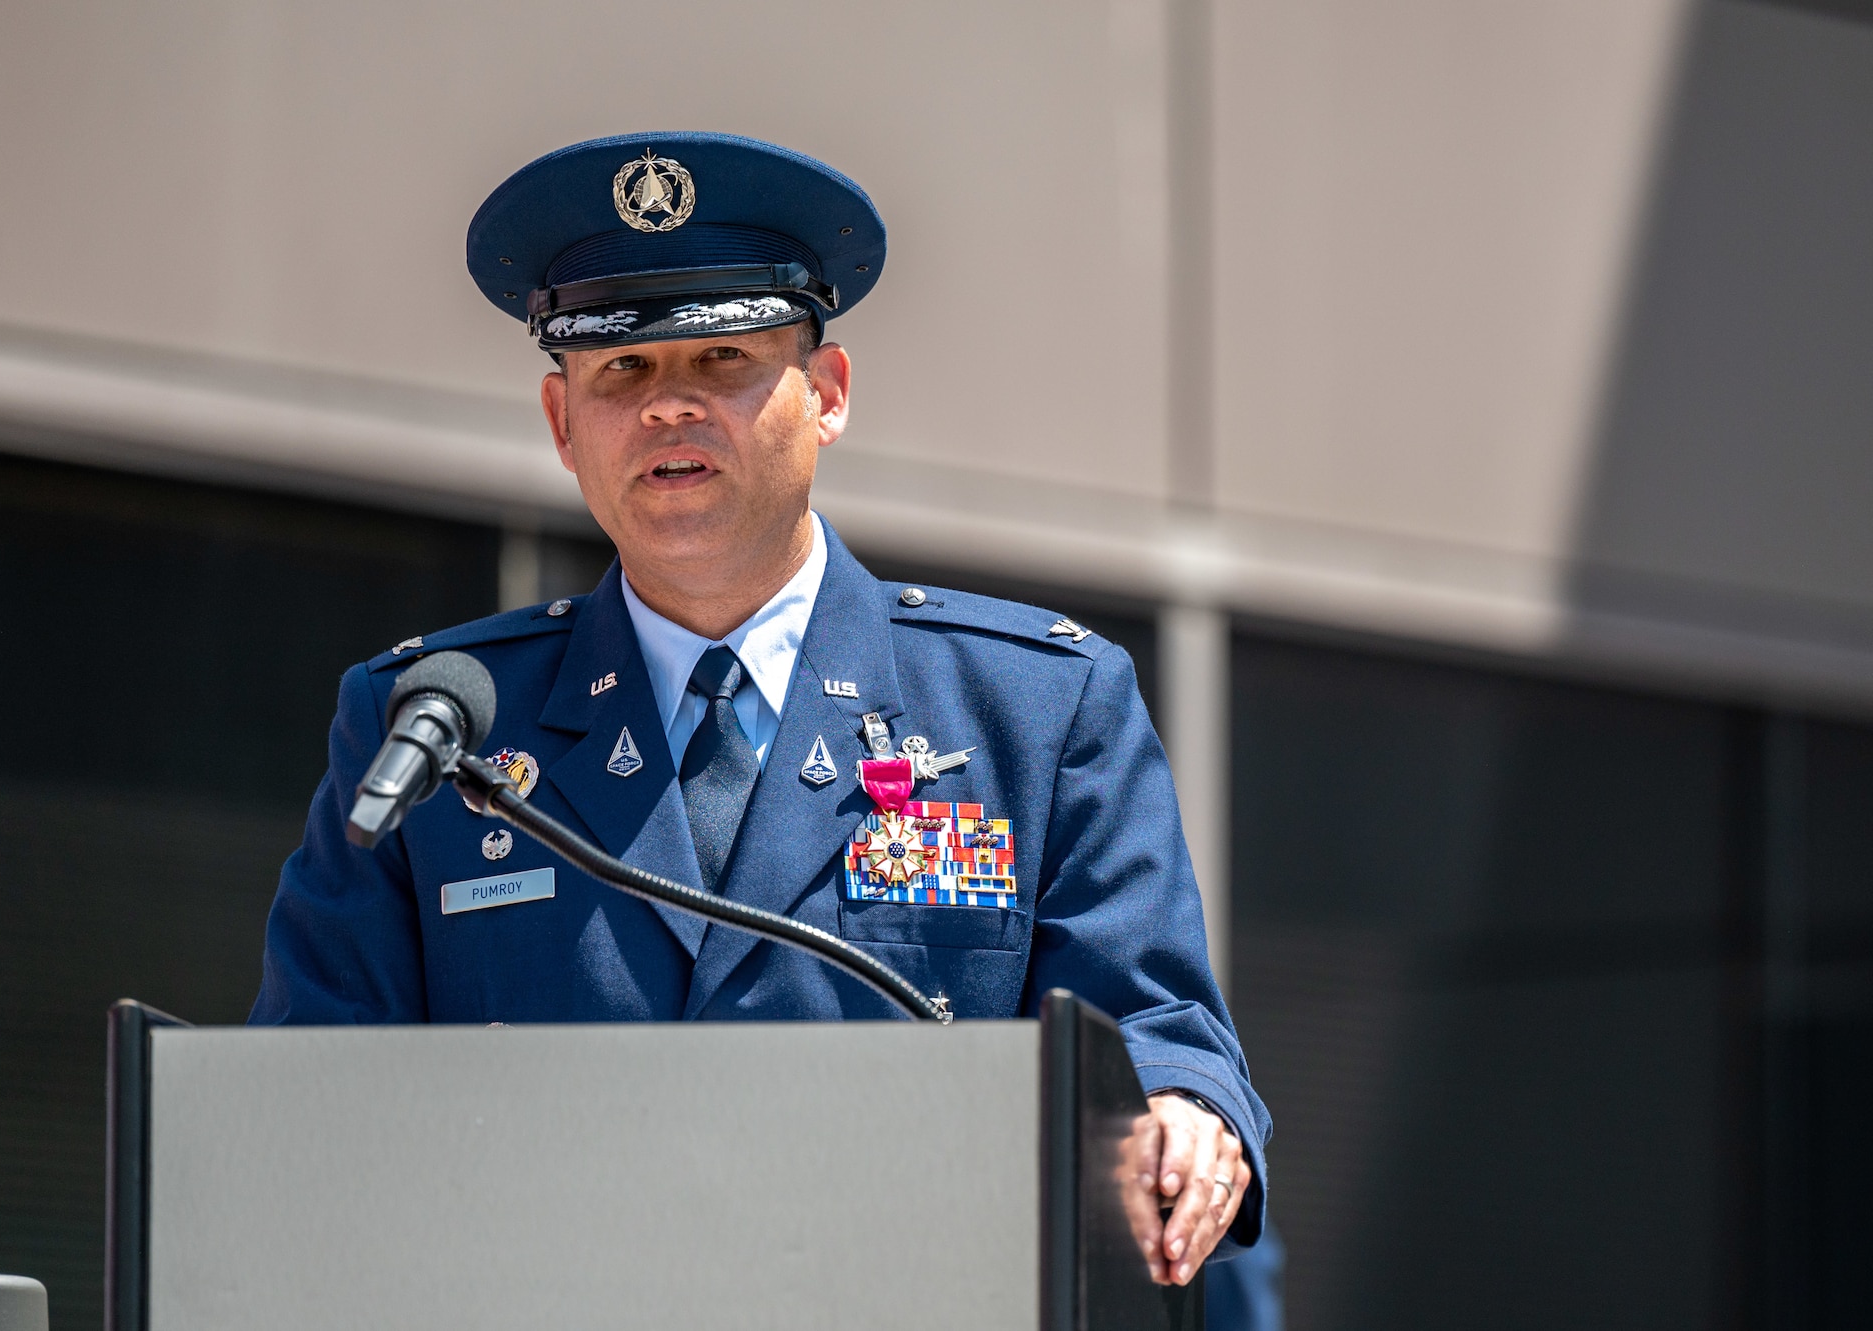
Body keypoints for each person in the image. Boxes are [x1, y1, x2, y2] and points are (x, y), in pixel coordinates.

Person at [252, 131, 1270, 1286]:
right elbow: (305, 1100)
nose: (665, 409)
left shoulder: (1033, 706)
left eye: (722, 359)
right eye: (620, 373)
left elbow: (1153, 1028)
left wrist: (1183, 1114)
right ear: (559, 420)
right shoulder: (434, 725)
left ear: (825, 396)